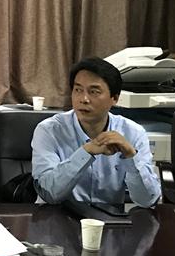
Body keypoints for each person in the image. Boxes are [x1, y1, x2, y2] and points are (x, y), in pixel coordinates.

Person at [31, 57, 161, 207]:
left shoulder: (133, 133)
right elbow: (49, 194)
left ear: (114, 98)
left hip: (108, 218)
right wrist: (86, 152)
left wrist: (131, 156)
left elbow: (147, 201)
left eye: (94, 92)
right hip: (57, 216)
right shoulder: (49, 131)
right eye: (78, 90)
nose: (84, 99)